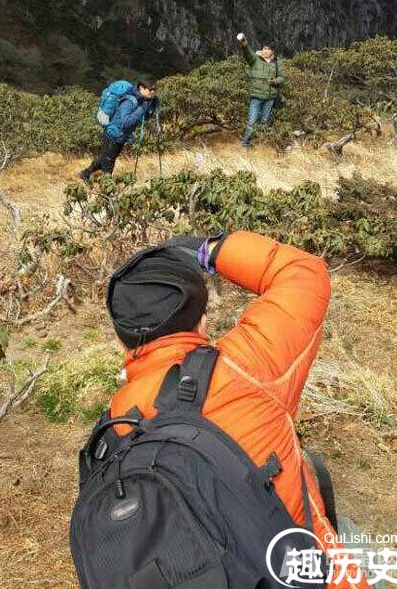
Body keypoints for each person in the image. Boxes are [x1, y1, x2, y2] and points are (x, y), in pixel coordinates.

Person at [75, 231, 369, 588]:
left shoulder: (111, 431)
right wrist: (208, 251)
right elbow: (303, 272)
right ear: (202, 321)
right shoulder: (248, 367)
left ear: (119, 338)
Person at [78, 80, 159, 183]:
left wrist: (150, 108)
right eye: (150, 89)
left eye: (153, 90)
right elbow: (125, 122)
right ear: (141, 88)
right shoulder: (130, 101)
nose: (152, 92)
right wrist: (142, 109)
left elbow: (141, 118)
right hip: (113, 135)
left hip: (121, 136)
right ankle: (108, 193)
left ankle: (85, 174)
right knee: (108, 163)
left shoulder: (141, 100)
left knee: (105, 158)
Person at [237, 33, 285, 148]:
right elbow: (247, 53)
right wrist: (244, 44)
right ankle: (246, 145)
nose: (266, 51)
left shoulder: (277, 63)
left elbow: (282, 78)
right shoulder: (255, 60)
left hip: (270, 98)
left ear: (272, 51)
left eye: (268, 49)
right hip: (256, 97)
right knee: (252, 122)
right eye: (264, 48)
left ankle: (261, 144)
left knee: (265, 122)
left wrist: (275, 81)